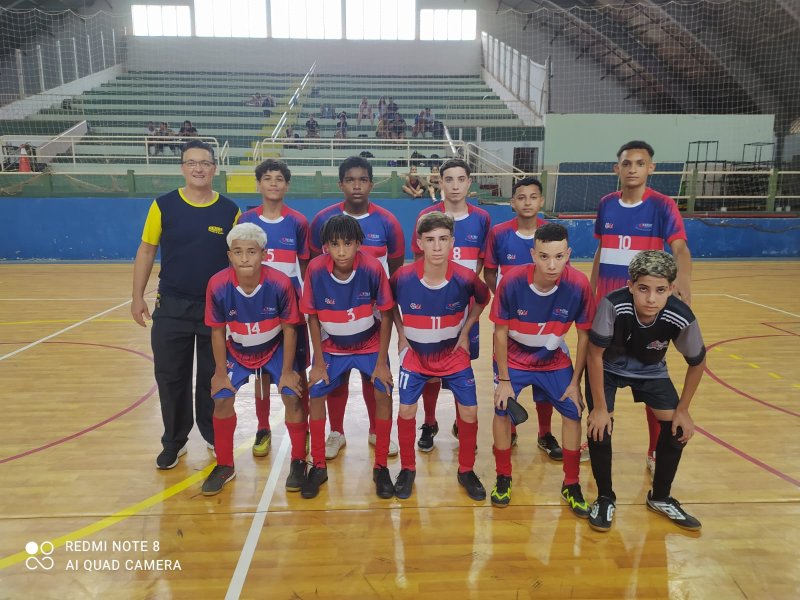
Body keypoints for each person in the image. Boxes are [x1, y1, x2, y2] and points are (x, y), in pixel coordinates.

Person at [131, 139, 240, 470]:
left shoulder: (230, 211)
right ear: (182, 167)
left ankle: (211, 434)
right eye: (192, 162)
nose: (198, 168)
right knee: (171, 375)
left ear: (214, 169)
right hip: (172, 306)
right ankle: (174, 441)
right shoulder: (163, 206)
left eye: (205, 163)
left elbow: (239, 260)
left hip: (214, 309)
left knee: (212, 376)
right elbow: (147, 249)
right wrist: (137, 296)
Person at [590, 140, 692, 478]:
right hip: (611, 310)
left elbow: (679, 248)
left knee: (650, 375)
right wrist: (592, 293)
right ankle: (599, 436)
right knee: (601, 375)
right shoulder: (606, 204)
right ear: (616, 169)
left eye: (640, 162)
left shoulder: (663, 206)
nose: (633, 168)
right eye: (626, 163)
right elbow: (601, 251)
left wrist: (682, 285)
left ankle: (653, 449)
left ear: (651, 168)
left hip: (645, 312)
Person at [585, 250, 705, 532]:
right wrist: (600, 409)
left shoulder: (681, 315)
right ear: (631, 286)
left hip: (651, 371)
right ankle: (605, 497)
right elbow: (594, 356)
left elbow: (697, 363)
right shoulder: (613, 304)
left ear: (671, 289)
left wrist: (684, 411)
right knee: (599, 427)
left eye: (660, 290)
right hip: (609, 369)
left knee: (676, 431)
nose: (651, 298)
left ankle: (660, 496)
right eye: (643, 289)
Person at [489, 223, 596, 516]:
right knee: (501, 408)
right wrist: (505, 380)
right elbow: (499, 333)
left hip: (553, 360)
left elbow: (585, 336)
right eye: (545, 256)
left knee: (574, 411)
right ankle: (503, 476)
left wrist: (575, 383)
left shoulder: (579, 285)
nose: (552, 264)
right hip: (513, 359)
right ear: (533, 254)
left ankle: (571, 484)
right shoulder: (510, 282)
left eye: (559, 256)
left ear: (568, 254)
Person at [309, 156, 405, 460]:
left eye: (363, 179)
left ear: (371, 183)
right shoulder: (323, 220)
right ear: (341, 184)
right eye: (350, 180)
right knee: (335, 380)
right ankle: (335, 432)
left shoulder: (387, 221)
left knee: (373, 377)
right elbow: (314, 263)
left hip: (372, 314)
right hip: (333, 312)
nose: (357, 185)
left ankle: (378, 431)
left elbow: (397, 270)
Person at [391, 212, 490, 500]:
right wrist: (401, 332)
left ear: (452, 243)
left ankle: (466, 469)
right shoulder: (403, 277)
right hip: (415, 356)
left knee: (469, 412)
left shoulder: (466, 277)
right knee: (407, 411)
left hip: (453, 355)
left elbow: (483, 300)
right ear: (419, 243)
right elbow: (387, 304)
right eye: (430, 240)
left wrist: (466, 331)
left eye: (443, 240)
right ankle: (408, 469)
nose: (437, 247)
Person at [202, 223, 306, 495]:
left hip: (275, 347)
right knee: (222, 396)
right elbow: (216, 331)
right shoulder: (217, 284)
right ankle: (225, 465)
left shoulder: (280, 283)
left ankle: (298, 460)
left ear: (264, 254)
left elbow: (289, 328)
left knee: (291, 394)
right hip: (237, 349)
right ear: (230, 256)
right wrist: (220, 373)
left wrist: (286, 371)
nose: (244, 258)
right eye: (237, 252)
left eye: (251, 251)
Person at [300, 215, 395, 499]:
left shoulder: (373, 268)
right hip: (333, 348)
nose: (341, 251)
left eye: (348, 244)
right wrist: (318, 362)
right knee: (315, 392)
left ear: (359, 244)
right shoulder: (316, 270)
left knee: (383, 390)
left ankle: (381, 467)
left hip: (369, 345)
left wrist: (381, 362)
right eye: (334, 244)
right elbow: (312, 317)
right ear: (325, 246)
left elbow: (387, 314)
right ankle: (317, 465)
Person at [484, 177, 567, 460]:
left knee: (545, 384)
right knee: (507, 381)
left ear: (541, 201)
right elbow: (490, 271)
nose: (527, 202)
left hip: (546, 320)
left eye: (533, 197)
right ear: (512, 202)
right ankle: (512, 429)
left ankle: (545, 433)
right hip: (511, 321)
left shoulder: (552, 232)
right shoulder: (499, 233)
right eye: (521, 197)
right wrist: (505, 301)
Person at [411, 159, 491, 452]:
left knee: (462, 364)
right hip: (432, 306)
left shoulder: (482, 218)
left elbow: (482, 259)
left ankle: (460, 420)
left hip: (465, 307)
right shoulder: (426, 215)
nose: (455, 186)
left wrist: (465, 286)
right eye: (449, 179)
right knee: (430, 367)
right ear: (440, 183)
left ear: (469, 182)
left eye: (461, 179)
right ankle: (430, 421)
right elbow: (419, 259)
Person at [237, 159, 310, 458]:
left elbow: (306, 268)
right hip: (256, 307)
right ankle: (263, 427)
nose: (274, 183)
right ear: (259, 184)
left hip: (290, 306)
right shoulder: (245, 221)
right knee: (261, 374)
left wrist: (306, 304)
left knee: (297, 369)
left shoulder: (298, 222)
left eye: (279, 178)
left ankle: (302, 424)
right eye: (267, 178)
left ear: (287, 185)